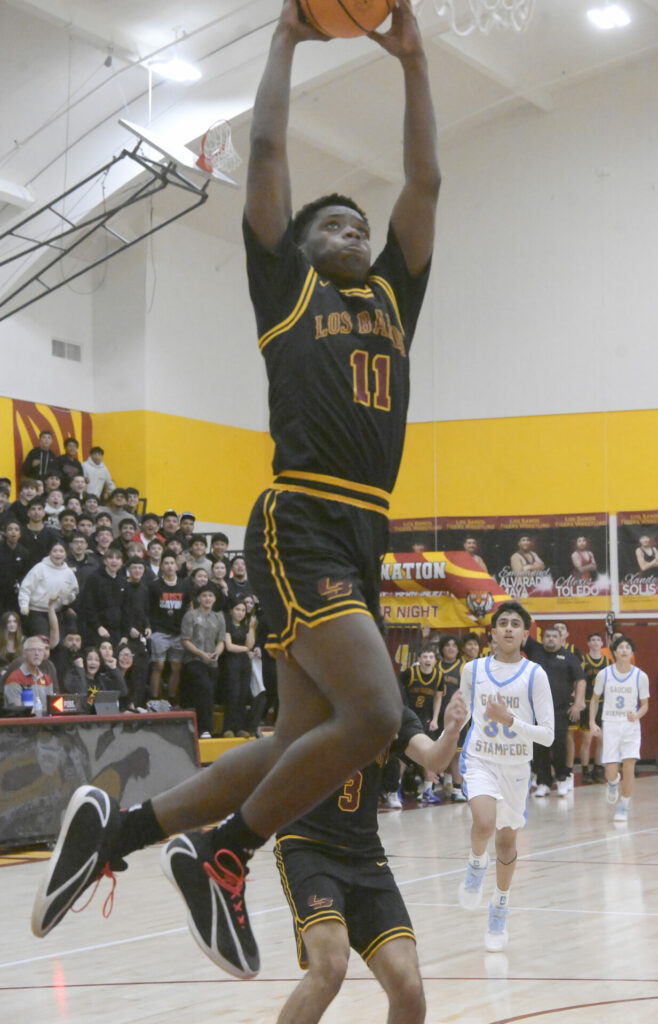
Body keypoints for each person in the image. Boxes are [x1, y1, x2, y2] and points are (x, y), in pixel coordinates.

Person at [31, 0, 440, 983]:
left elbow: (424, 179)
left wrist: (415, 59)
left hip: (363, 533)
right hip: (302, 517)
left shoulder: (392, 297)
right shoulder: (287, 291)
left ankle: (119, 832)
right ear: (297, 245)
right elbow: (263, 150)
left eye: (358, 221)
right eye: (329, 222)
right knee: (375, 714)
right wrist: (286, 37)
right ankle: (221, 856)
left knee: (301, 738)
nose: (351, 228)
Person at [275, 689, 467, 1024]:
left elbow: (433, 759)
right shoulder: (314, 698)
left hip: (365, 856)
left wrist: (451, 731)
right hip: (308, 847)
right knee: (330, 965)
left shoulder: (392, 711)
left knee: (408, 986)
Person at [457, 601, 554, 952]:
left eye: (516, 623)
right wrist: (441, 746)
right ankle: (475, 863)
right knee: (483, 822)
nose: (509, 628)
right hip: (480, 759)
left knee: (507, 843)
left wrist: (509, 720)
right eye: (503, 623)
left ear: (525, 634)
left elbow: (548, 735)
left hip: (515, 767)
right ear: (493, 633)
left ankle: (499, 906)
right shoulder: (473, 670)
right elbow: (461, 716)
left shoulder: (535, 674)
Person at [589, 635, 649, 823]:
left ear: (632, 653)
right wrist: (592, 722)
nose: (624, 650)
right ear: (614, 652)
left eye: (627, 647)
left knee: (629, 766)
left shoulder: (640, 676)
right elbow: (594, 700)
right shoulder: (604, 674)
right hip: (611, 725)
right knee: (611, 771)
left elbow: (645, 705)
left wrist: (636, 715)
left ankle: (624, 805)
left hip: (631, 726)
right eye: (620, 647)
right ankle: (613, 782)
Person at [524, 626, 585, 798]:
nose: (550, 639)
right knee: (539, 747)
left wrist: (578, 703)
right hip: (536, 710)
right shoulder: (535, 649)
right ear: (542, 638)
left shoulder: (569, 657)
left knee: (559, 746)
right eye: (547, 636)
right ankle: (543, 782)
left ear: (561, 639)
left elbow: (580, 680)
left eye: (554, 636)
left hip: (559, 710)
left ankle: (562, 778)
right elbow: (522, 630)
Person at [397, 646, 442, 804]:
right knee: (402, 757)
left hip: (426, 719)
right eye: (425, 656)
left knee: (430, 753)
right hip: (409, 718)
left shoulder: (438, 676)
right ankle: (395, 790)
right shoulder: (409, 673)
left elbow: (438, 698)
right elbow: (397, 690)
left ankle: (427, 791)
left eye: (431, 657)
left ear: (435, 660)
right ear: (419, 659)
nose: (428, 659)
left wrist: (435, 719)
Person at [180, 586, 226, 738]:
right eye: (204, 595)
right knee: (205, 688)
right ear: (199, 598)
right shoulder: (191, 615)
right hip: (193, 660)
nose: (207, 598)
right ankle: (205, 728)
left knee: (209, 694)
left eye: (210, 595)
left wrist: (217, 653)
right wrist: (201, 654)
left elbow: (221, 641)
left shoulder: (219, 617)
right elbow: (185, 640)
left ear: (215, 599)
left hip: (212, 662)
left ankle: (203, 727)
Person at [18, 540, 79, 637]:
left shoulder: (68, 572)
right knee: (43, 640)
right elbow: (26, 588)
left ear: (65, 554)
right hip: (37, 612)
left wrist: (68, 597)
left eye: (61, 551)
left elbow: (74, 592)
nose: (58, 554)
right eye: (55, 551)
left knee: (57, 641)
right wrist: (24, 605)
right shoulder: (40, 568)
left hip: (57, 612)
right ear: (49, 553)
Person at [579, 632, 611, 783]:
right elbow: (579, 681)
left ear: (602, 644)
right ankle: (585, 771)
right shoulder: (583, 660)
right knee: (587, 740)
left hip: (603, 703)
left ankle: (598, 768)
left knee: (602, 740)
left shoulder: (607, 661)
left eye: (598, 639)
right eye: (593, 639)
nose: (596, 642)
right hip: (587, 702)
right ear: (588, 643)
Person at [3, 635, 54, 712]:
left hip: (45, 719)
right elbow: (17, 711)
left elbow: (51, 708)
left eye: (40, 650)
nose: (37, 653)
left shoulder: (47, 679)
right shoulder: (14, 678)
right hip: (24, 719)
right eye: (33, 650)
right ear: (24, 654)